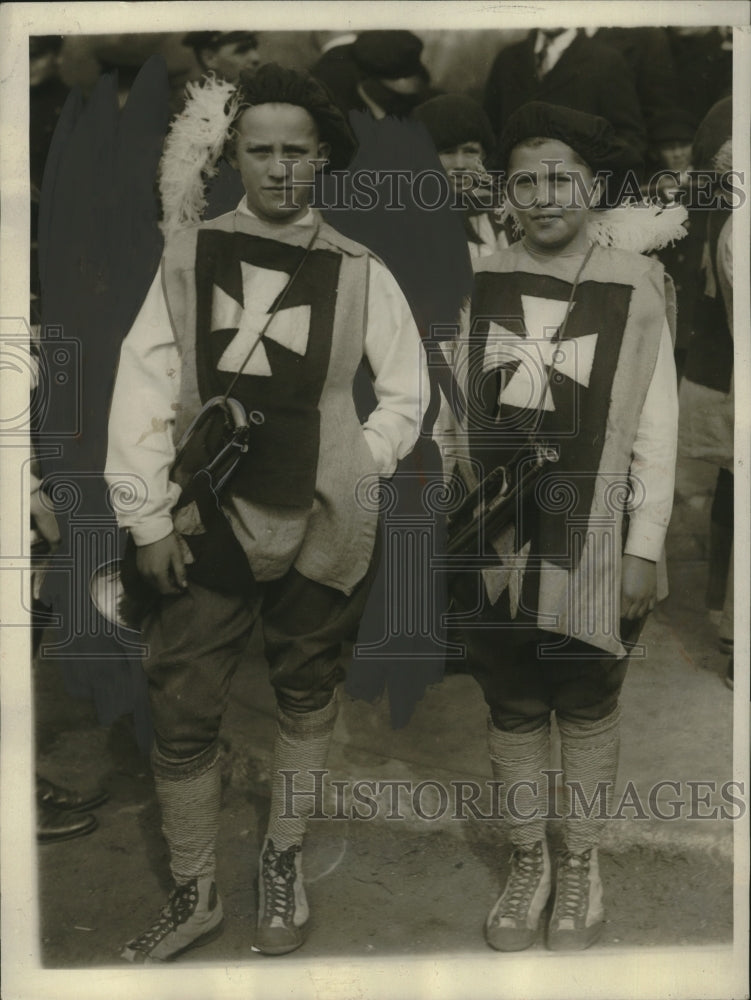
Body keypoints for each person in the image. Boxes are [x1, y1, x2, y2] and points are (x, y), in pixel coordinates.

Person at [104, 64, 428, 961]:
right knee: (183, 701)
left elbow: (405, 392)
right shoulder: (188, 255)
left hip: (324, 516)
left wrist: (360, 462)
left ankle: (282, 857)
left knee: (305, 688)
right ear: (232, 158)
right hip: (206, 517)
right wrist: (148, 520)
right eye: (261, 150)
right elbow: (143, 384)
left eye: (297, 151)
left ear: (322, 158)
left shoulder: (360, 270)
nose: (279, 168)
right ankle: (198, 887)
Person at [447, 102, 678, 952]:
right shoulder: (472, 278)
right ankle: (525, 860)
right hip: (493, 537)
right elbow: (448, 415)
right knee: (510, 702)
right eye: (525, 179)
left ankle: (578, 859)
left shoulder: (636, 284)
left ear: (595, 185)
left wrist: (642, 549)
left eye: (563, 177)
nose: (544, 195)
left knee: (583, 698)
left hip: (591, 532)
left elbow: (655, 425)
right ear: (503, 191)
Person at [482, 29, 646, 163]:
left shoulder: (606, 60)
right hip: (517, 184)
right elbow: (490, 130)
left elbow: (628, 137)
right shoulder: (507, 59)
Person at [412, 93, 509, 258]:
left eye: (470, 151)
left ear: (484, 155)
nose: (459, 164)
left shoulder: (496, 214)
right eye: (447, 152)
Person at [182, 31, 261, 83]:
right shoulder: (193, 107)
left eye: (254, 47)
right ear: (209, 58)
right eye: (241, 50)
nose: (256, 58)